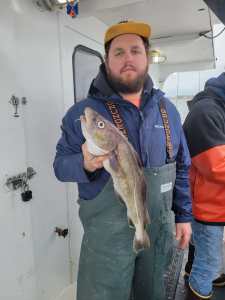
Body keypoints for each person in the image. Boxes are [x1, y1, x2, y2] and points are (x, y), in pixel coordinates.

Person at [53, 20, 192, 300]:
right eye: (118, 52)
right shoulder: (83, 113)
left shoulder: (168, 111)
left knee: (152, 293)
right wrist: (84, 164)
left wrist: (185, 216)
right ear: (106, 60)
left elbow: (180, 167)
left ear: (147, 58)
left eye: (135, 50)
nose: (127, 58)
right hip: (106, 241)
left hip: (156, 231)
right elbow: (59, 165)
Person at [183, 73, 225, 299]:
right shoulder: (205, 112)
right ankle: (199, 287)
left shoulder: (218, 109)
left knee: (205, 252)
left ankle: (196, 271)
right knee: (209, 259)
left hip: (216, 203)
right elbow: (217, 166)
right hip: (206, 206)